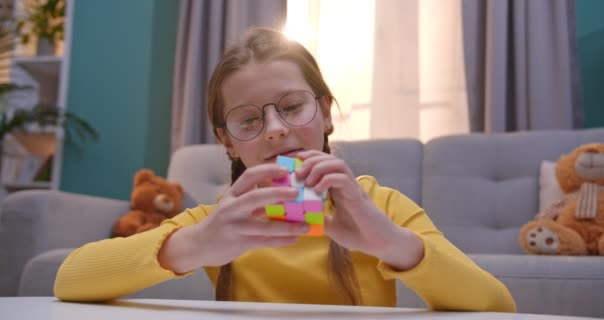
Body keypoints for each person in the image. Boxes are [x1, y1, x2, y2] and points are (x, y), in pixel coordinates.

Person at [54, 27, 516, 312]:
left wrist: (389, 242)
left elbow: (497, 305)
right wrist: (194, 245)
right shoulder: (221, 219)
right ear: (227, 142)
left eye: (293, 107)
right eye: (249, 119)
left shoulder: (383, 206)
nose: (275, 129)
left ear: (327, 113)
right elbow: (70, 279)